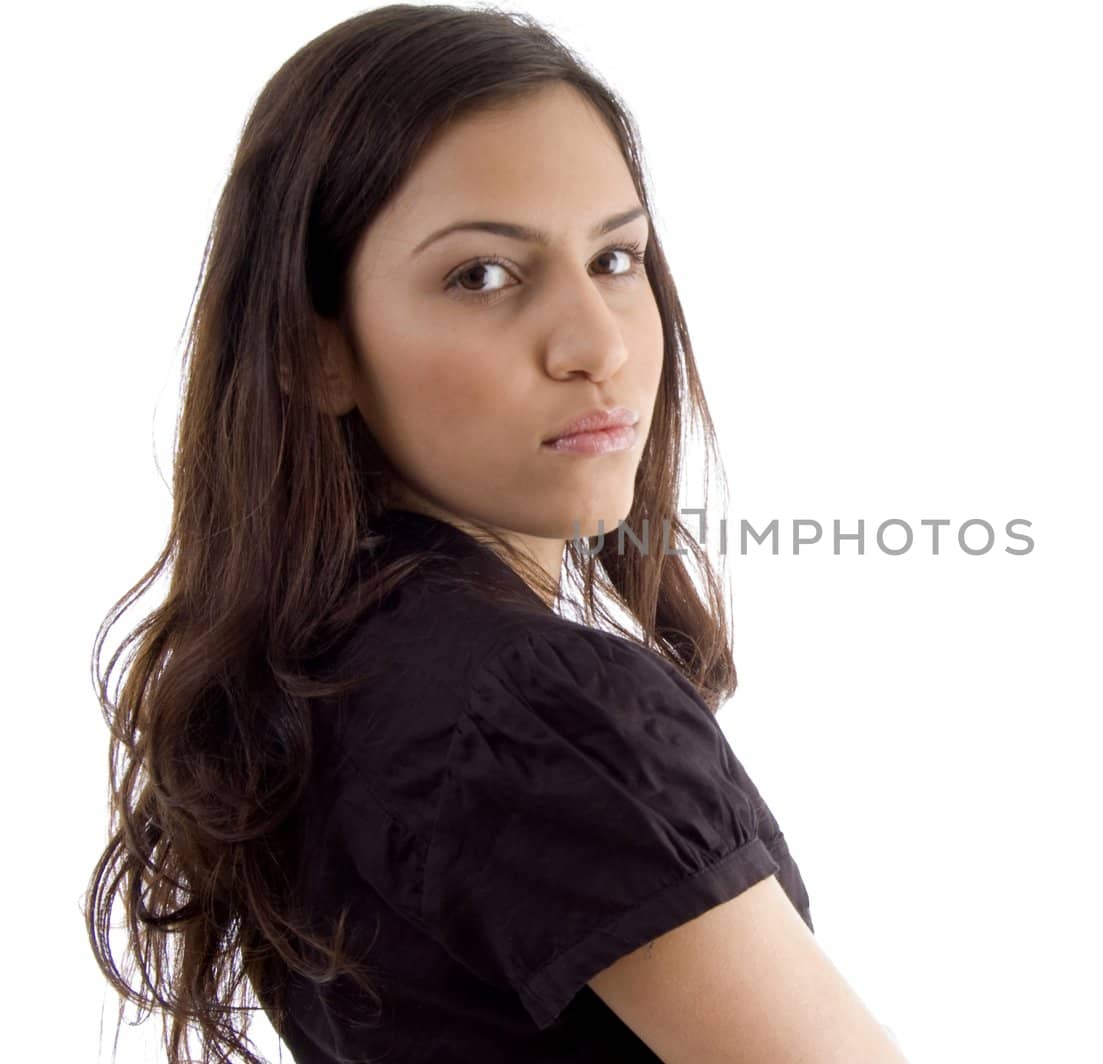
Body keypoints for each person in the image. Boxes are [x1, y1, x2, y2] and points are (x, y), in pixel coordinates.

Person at [82, 6, 909, 1062]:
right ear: (313, 348)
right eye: (482, 275)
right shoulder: (535, 706)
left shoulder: (321, 675)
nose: (595, 343)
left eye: (616, 258)